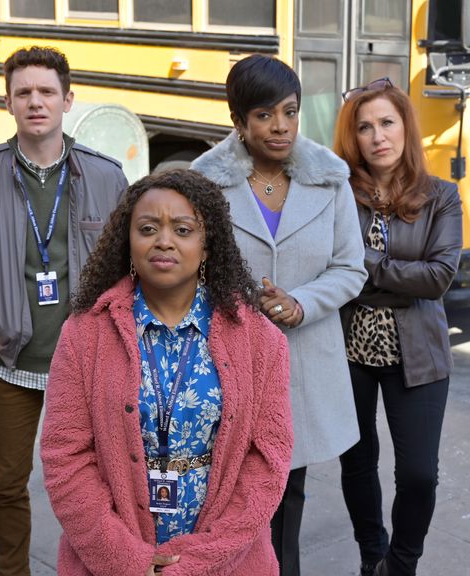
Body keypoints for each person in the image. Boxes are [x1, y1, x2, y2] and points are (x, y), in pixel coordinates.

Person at [40, 169, 293, 575]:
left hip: (228, 561)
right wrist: (128, 561)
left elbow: (268, 462)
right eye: (148, 228)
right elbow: (65, 458)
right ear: (129, 241)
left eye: (182, 229)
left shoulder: (260, 340)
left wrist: (199, 561)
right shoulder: (84, 333)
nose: (164, 240)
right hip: (109, 562)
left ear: (207, 246)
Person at [0, 45, 127, 576]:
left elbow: (127, 266)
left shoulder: (105, 177)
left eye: (46, 91)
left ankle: (103, 565)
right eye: (23, 92)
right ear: (8, 102)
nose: (35, 101)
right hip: (12, 359)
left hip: (90, 362)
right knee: (7, 483)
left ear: (68, 100)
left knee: (104, 481)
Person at [191, 54, 367, 576]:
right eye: (264, 115)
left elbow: (349, 268)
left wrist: (300, 303)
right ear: (238, 121)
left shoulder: (331, 179)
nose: (281, 126)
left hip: (303, 367)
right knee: (225, 494)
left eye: (289, 111)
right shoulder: (204, 185)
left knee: (288, 492)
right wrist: (238, 305)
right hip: (227, 364)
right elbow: (188, 268)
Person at [333, 79, 462, 576]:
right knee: (357, 464)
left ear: (405, 128)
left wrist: (363, 264)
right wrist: (389, 274)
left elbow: (436, 279)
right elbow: (330, 269)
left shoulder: (442, 197)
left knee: (418, 476)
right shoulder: (341, 194)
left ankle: (401, 565)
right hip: (348, 352)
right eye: (364, 127)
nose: (377, 136)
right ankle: (373, 556)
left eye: (387, 123)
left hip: (421, 353)